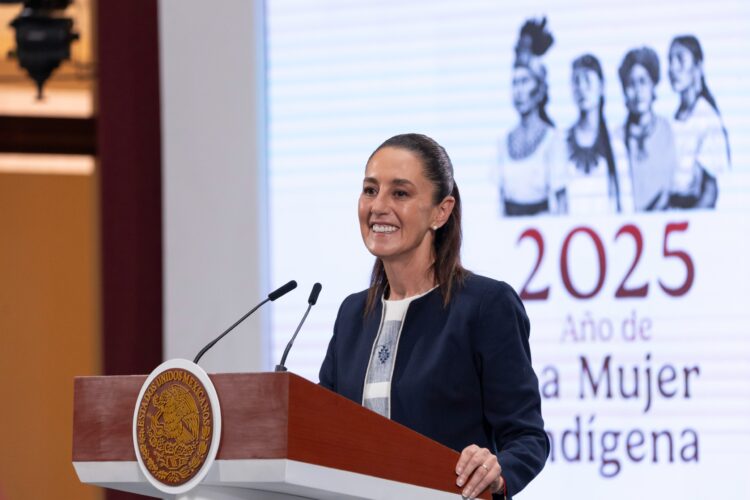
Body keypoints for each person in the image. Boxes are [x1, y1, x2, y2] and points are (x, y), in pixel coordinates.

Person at [320, 133, 549, 499]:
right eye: (370, 190)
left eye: (400, 193)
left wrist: (496, 471)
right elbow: (321, 431)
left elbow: (527, 437)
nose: (378, 206)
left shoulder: (485, 305)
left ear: (441, 211)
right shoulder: (352, 314)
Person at [498, 17, 563, 216]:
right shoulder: (504, 142)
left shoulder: (552, 138)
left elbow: (562, 204)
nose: (519, 91)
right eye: (515, 83)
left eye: (524, 82)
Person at [554, 54, 630, 214]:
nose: (582, 88)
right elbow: (557, 202)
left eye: (588, 81)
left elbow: (625, 203)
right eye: (576, 81)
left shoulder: (616, 144)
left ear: (601, 87)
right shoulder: (561, 142)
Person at [667, 35, 730, 209]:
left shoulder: (706, 118)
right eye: (670, 61)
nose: (673, 68)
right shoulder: (674, 118)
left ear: (698, 66)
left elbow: (710, 191)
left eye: (680, 60)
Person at [614, 46, 678, 211]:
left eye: (643, 82)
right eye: (631, 84)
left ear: (653, 85)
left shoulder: (669, 131)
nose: (638, 91)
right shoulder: (617, 138)